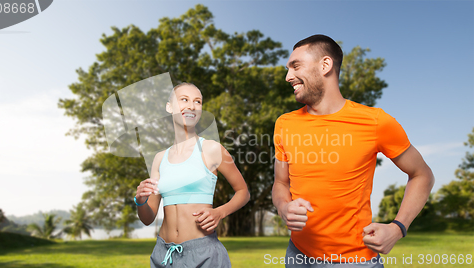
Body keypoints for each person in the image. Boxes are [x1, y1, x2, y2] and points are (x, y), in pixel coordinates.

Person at [272, 35, 435, 267]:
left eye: (295, 66)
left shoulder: (376, 121)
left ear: (325, 65)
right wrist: (283, 207)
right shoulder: (284, 124)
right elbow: (280, 183)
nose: (288, 76)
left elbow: (422, 175)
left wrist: (398, 227)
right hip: (297, 255)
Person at [135, 82, 250, 267]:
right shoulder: (159, 158)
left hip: (203, 253)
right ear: (169, 107)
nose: (191, 106)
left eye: (197, 101)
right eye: (184, 100)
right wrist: (140, 201)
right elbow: (148, 218)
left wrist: (219, 213)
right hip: (163, 255)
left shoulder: (212, 149)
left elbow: (243, 192)